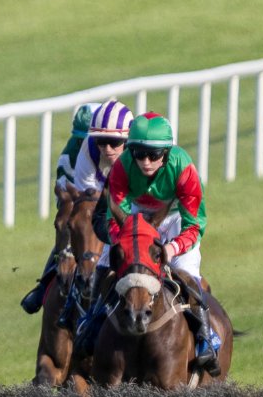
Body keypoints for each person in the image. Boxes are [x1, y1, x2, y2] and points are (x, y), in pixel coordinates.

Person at [75, 112, 221, 375]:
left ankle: (206, 340)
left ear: (166, 153)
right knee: (107, 263)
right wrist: (127, 241)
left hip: (175, 221)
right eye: (139, 153)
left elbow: (195, 224)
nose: (145, 161)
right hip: (133, 222)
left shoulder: (183, 167)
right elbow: (113, 215)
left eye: (153, 155)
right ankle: (92, 323)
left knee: (188, 275)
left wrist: (170, 248)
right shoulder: (122, 167)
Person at [20, 101, 123, 314]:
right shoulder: (72, 152)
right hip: (82, 204)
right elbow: (66, 196)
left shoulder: (118, 145)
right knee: (72, 229)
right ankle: (44, 286)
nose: (103, 147)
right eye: (80, 138)